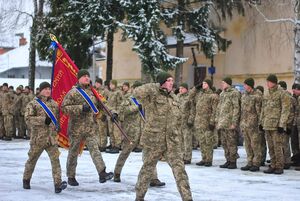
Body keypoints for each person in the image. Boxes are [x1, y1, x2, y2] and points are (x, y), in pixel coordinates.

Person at [134, 71, 193, 201]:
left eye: (172, 80)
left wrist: (178, 136)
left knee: (180, 171)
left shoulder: (174, 98)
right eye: (168, 80)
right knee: (147, 170)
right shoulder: (152, 95)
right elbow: (136, 93)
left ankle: (188, 198)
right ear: (162, 83)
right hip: (154, 140)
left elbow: (178, 120)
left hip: (172, 141)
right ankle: (139, 197)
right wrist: (156, 85)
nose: (172, 83)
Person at [61, 69, 114, 186]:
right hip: (76, 128)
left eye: (88, 76)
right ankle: (71, 176)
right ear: (79, 78)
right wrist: (80, 108)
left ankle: (102, 172)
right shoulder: (73, 92)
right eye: (84, 76)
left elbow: (103, 105)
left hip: (90, 127)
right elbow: (64, 107)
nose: (87, 78)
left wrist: (112, 113)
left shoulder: (93, 92)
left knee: (95, 150)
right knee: (73, 153)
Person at [23, 82, 67, 193]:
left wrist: (57, 128)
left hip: (51, 139)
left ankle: (58, 184)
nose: (48, 91)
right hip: (38, 139)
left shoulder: (54, 104)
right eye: (45, 89)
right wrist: (43, 120)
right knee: (32, 160)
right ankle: (26, 179)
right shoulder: (33, 104)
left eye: (49, 89)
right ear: (40, 90)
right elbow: (28, 119)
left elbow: (56, 119)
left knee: (56, 161)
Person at [260, 74, 290, 174]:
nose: (267, 83)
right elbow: (263, 109)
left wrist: (282, 124)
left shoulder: (282, 93)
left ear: (274, 82)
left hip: (277, 125)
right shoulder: (266, 93)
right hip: (267, 124)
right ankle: (273, 165)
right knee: (271, 147)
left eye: (269, 81)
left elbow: (285, 110)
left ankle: (279, 166)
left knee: (277, 146)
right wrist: (261, 122)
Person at [190, 79, 218, 167]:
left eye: (205, 83)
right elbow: (189, 96)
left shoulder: (213, 96)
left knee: (208, 142)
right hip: (199, 122)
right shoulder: (200, 94)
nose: (203, 84)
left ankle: (209, 160)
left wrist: (212, 122)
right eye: (202, 83)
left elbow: (215, 110)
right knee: (202, 141)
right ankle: (204, 158)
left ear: (209, 85)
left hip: (207, 122)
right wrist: (195, 87)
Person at [216, 77, 241, 169]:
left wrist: (234, 122)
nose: (222, 84)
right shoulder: (222, 94)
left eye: (223, 83)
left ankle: (233, 161)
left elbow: (236, 108)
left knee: (231, 142)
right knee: (224, 142)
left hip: (230, 122)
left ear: (228, 83)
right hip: (222, 122)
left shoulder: (234, 93)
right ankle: (228, 160)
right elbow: (219, 108)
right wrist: (217, 120)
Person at [240, 78, 262, 172]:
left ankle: (256, 163)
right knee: (248, 145)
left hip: (254, 125)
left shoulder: (257, 96)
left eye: (245, 84)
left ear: (249, 85)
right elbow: (242, 111)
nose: (244, 86)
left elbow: (259, 111)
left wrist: (260, 123)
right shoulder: (244, 95)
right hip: (245, 124)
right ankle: (249, 162)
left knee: (255, 145)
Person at [177, 83, 194, 165]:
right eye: (180, 88)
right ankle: (181, 156)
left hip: (186, 122)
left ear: (186, 89)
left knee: (187, 141)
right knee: (180, 141)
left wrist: (190, 120)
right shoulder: (177, 97)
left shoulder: (189, 97)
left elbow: (192, 110)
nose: (180, 90)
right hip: (179, 122)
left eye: (182, 88)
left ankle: (187, 157)